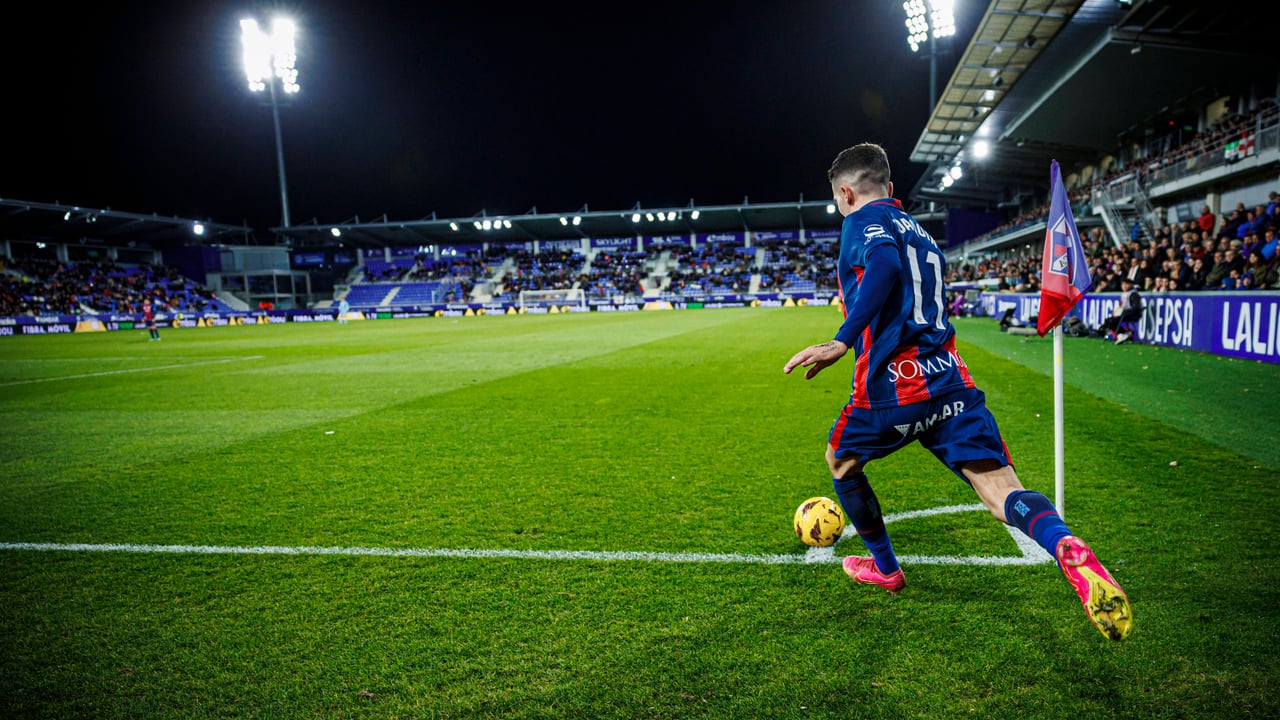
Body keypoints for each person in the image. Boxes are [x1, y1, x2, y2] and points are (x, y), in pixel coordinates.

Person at [783, 143, 1132, 641]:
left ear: (845, 191)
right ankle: (1064, 545)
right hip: (950, 377)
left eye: (838, 199)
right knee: (1002, 493)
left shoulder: (861, 221)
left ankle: (887, 568)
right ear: (890, 185)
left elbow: (882, 266)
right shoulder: (923, 234)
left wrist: (841, 341)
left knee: (840, 461)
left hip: (894, 384)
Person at [1099, 277, 1143, 344]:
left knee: (1112, 321)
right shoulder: (1125, 294)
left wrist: (1123, 312)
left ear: (1131, 285)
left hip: (1132, 314)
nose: (1124, 286)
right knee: (1108, 320)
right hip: (1125, 314)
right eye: (1123, 284)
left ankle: (1123, 334)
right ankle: (1123, 333)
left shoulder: (1133, 294)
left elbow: (1136, 308)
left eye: (1126, 284)